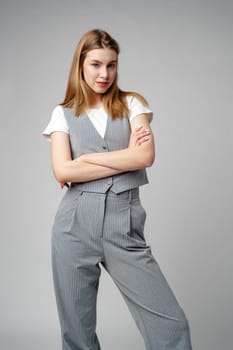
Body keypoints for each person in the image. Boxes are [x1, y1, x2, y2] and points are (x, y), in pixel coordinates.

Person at [43, 29, 192, 350]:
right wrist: (123, 157)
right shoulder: (63, 113)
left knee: (171, 325)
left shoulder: (132, 104)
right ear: (80, 65)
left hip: (122, 226)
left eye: (111, 65)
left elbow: (145, 156)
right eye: (96, 64)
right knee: (77, 334)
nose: (104, 74)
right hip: (73, 226)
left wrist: (87, 159)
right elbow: (62, 169)